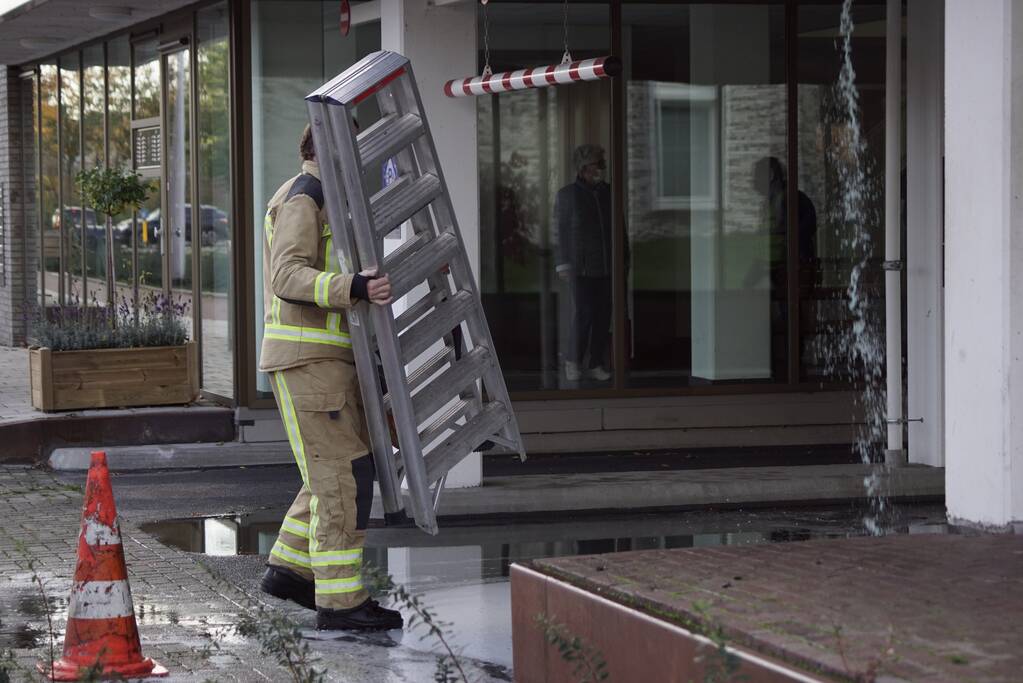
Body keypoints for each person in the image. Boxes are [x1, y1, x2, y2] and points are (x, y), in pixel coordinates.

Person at [258, 124, 403, 632]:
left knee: (330, 476)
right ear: (327, 147)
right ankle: (342, 605)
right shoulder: (307, 195)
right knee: (344, 480)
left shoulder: (317, 196)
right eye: (353, 147)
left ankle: (290, 570)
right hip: (310, 363)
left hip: (321, 363)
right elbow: (286, 276)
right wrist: (354, 286)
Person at [556, 144, 613, 383]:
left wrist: (624, 260)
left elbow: (618, 228)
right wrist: (563, 264)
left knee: (603, 315)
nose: (598, 169)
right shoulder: (568, 195)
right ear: (582, 168)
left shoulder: (608, 193)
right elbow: (560, 230)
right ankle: (572, 360)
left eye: (600, 164)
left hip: (607, 267)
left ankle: (596, 362)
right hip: (580, 268)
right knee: (585, 313)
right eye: (593, 165)